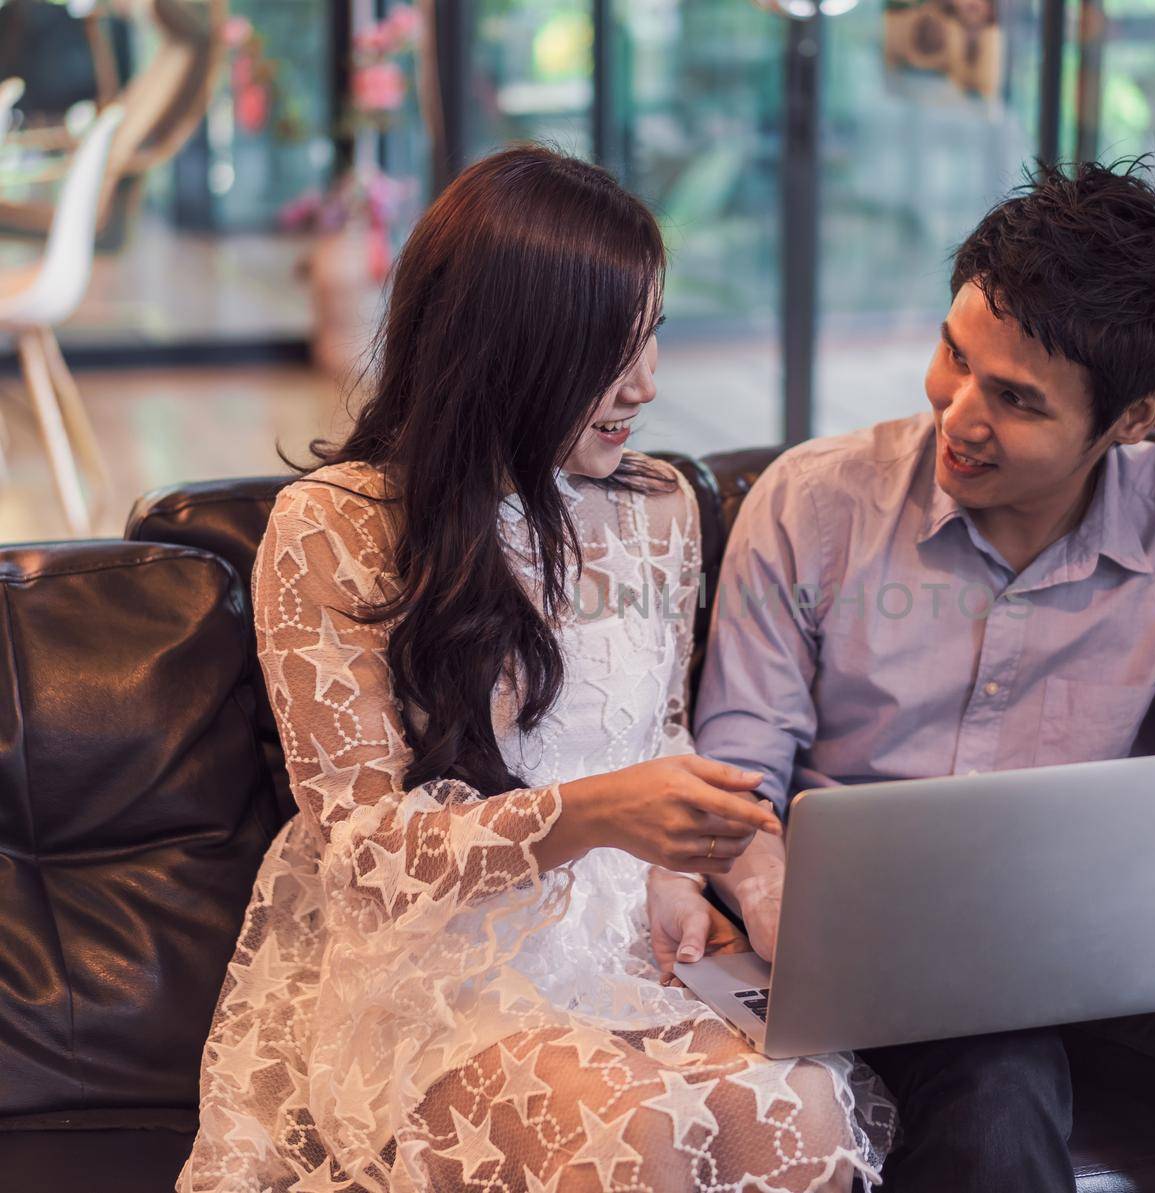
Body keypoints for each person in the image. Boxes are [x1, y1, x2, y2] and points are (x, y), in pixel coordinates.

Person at [652, 161, 1155, 1191]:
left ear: (1131, 418)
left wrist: (1057, 899)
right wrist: (777, 894)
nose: (957, 412)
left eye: (1014, 398)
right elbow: (735, 775)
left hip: (1116, 932)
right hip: (891, 940)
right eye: (953, 356)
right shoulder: (812, 507)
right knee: (994, 1096)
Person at [180, 145, 894, 1193]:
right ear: (508, 349)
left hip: (618, 941)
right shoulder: (334, 526)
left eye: (653, 337)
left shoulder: (660, 509)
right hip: (431, 960)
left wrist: (713, 871)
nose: (645, 386)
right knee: (629, 1133)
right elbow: (362, 855)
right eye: (610, 351)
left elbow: (655, 737)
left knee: (807, 1110)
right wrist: (598, 816)